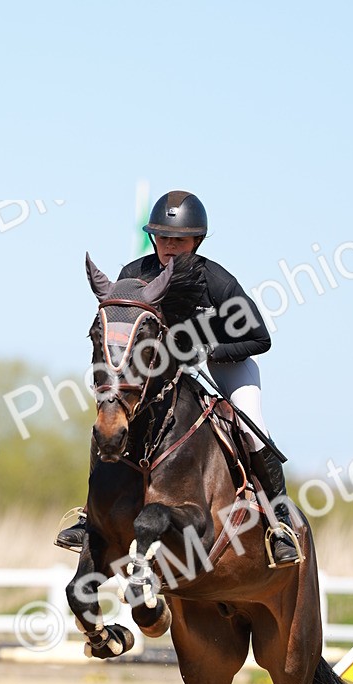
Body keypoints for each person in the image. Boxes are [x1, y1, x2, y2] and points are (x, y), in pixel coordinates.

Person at [56, 189, 301, 566]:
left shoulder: (216, 282)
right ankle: (91, 515)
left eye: (179, 239)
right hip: (158, 370)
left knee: (252, 428)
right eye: (163, 237)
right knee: (110, 418)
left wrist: (209, 352)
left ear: (196, 241)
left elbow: (259, 338)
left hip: (223, 362)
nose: (169, 246)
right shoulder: (134, 275)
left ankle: (278, 522)